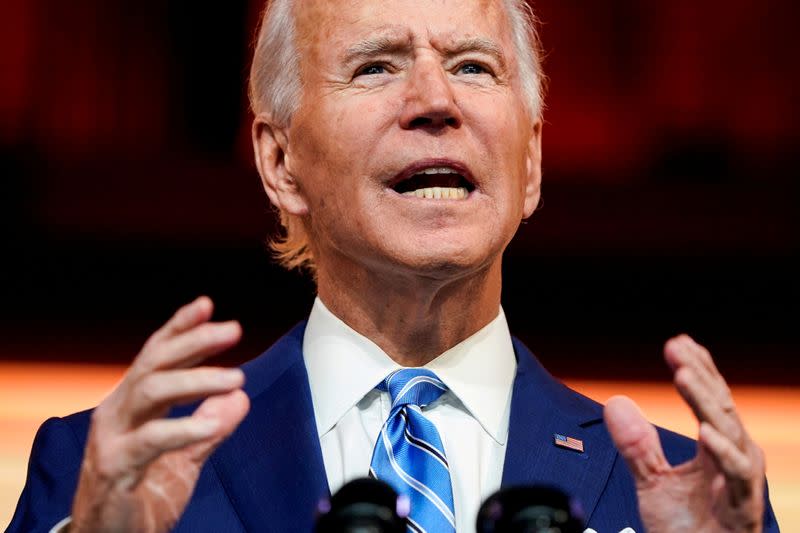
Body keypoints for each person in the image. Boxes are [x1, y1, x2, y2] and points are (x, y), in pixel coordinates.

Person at [9, 0, 779, 531]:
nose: (434, 101)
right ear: (280, 162)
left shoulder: (683, 497)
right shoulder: (103, 474)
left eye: (473, 67)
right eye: (377, 66)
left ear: (533, 159)